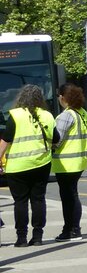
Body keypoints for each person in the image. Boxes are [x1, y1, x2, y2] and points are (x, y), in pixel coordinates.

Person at [0, 83, 56, 247]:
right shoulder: (47, 115)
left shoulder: (15, 115)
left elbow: (5, 141)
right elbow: (56, 138)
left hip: (17, 167)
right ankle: (38, 236)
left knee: (20, 202)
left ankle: (21, 238)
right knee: (38, 200)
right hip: (41, 164)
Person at [51, 83, 87, 240]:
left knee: (68, 197)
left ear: (62, 97)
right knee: (72, 195)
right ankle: (73, 228)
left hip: (66, 163)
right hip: (79, 161)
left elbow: (56, 140)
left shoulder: (66, 115)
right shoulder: (82, 113)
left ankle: (72, 230)